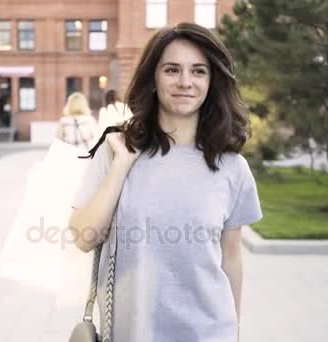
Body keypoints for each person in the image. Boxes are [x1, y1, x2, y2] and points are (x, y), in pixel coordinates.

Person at [68, 23, 262, 342]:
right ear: (154, 78)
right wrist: (121, 167)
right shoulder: (115, 149)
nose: (185, 82)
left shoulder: (232, 167)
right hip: (133, 332)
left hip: (209, 333)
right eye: (172, 69)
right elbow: (84, 237)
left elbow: (231, 258)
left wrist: (235, 332)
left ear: (212, 82)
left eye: (198, 71)